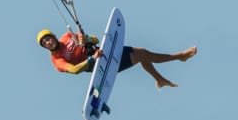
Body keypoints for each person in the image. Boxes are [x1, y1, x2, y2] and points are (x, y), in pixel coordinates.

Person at [37, 27, 197, 88]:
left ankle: (160, 79)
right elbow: (74, 70)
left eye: (48, 38)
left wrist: (86, 39)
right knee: (142, 54)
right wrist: (91, 60)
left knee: (142, 53)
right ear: (45, 47)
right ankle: (179, 57)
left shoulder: (67, 36)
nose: (49, 42)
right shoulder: (56, 61)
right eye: (45, 43)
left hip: (104, 51)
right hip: (100, 66)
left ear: (53, 36)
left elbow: (95, 39)